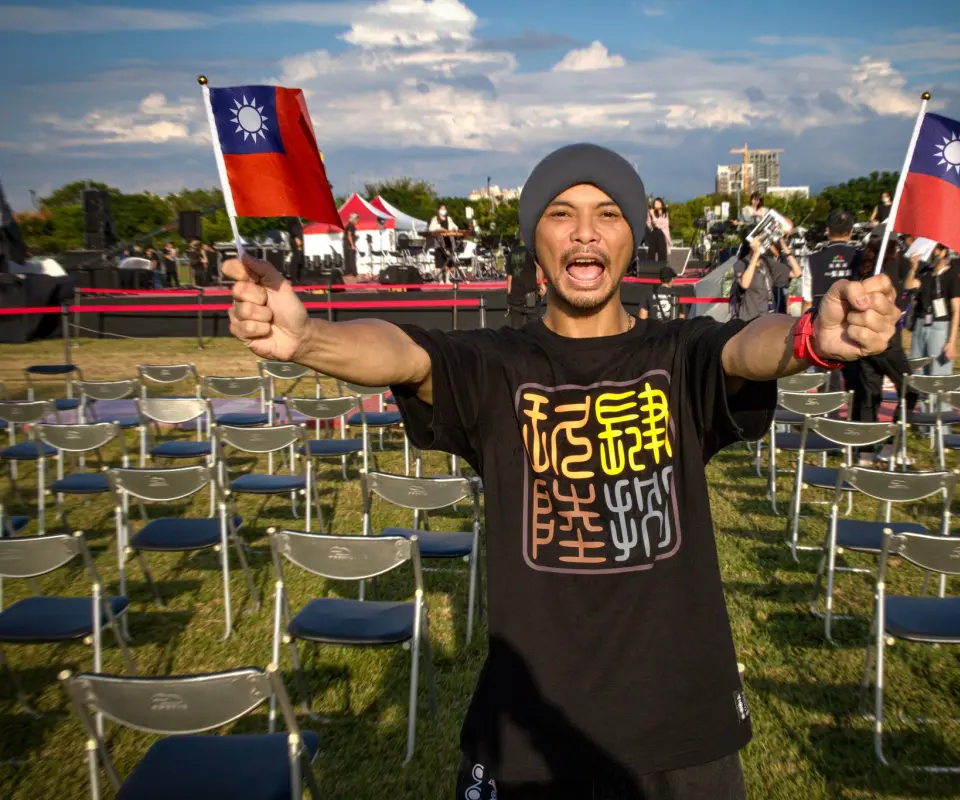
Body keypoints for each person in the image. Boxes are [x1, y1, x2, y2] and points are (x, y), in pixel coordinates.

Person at [223, 142, 898, 800]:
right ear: (533, 238)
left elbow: (745, 350)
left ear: (633, 236)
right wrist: (307, 340)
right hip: (527, 734)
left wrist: (810, 340)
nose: (585, 232)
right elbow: (405, 353)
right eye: (560, 212)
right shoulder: (497, 365)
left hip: (683, 729)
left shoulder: (680, 352)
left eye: (608, 213)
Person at [841, 235, 919, 462]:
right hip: (887, 343)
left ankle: (864, 453)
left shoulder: (859, 271)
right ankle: (891, 445)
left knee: (869, 397)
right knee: (910, 391)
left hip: (864, 343)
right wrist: (911, 284)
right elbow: (899, 305)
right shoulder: (888, 272)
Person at [905, 242, 960, 377]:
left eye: (934, 251)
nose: (931, 255)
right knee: (916, 369)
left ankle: (938, 398)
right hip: (920, 325)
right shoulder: (925, 273)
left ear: (943, 252)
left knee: (938, 374)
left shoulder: (952, 275)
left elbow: (956, 310)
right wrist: (912, 269)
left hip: (940, 327)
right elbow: (909, 286)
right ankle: (918, 397)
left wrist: (952, 342)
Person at [799, 210, 860, 314]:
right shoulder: (861, 257)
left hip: (822, 321)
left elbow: (807, 301)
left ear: (827, 230)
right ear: (851, 231)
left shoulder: (812, 260)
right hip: (854, 321)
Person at [505, 246, 544, 328]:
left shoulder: (511, 253)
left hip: (515, 296)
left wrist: (509, 295)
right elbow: (539, 266)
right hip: (530, 295)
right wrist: (541, 283)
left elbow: (509, 276)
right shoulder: (531, 251)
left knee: (515, 329)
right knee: (534, 328)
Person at [428, 203, 459, 283]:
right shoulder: (435, 219)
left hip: (448, 242)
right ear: (438, 210)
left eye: (444, 209)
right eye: (442, 209)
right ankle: (440, 280)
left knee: (448, 262)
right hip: (439, 244)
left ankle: (448, 279)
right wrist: (439, 228)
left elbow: (455, 227)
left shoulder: (449, 219)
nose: (443, 210)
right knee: (439, 263)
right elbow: (431, 228)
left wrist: (452, 229)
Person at [646, 197, 670, 262]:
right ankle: (650, 268)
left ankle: (662, 268)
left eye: (658, 203)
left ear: (662, 204)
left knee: (662, 253)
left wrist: (653, 216)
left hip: (662, 234)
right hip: (654, 233)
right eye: (655, 203)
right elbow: (649, 224)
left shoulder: (665, 213)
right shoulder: (651, 212)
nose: (656, 204)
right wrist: (649, 215)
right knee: (651, 252)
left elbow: (663, 224)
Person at [287, 217, 306, 285]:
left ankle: (300, 279)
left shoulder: (298, 219)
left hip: (300, 240)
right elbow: (289, 227)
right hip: (296, 241)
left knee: (301, 259)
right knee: (296, 258)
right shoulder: (292, 218)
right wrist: (295, 237)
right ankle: (294, 279)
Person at [342, 213, 358, 280]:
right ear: (354, 219)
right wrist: (352, 245)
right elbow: (349, 236)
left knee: (348, 258)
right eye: (357, 220)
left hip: (346, 243)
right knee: (351, 258)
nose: (357, 221)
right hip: (348, 244)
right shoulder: (351, 226)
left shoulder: (349, 225)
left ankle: (348, 272)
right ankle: (353, 273)